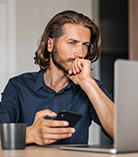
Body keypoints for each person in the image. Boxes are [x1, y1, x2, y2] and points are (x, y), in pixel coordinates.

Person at [0, 10, 114, 146]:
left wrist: (87, 82)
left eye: (85, 45)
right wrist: (30, 134)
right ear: (50, 44)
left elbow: (119, 132)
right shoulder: (18, 86)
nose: (80, 53)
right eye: (72, 43)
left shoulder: (91, 87)